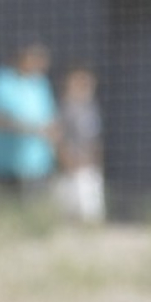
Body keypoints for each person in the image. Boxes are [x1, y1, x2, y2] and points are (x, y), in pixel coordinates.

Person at [0, 41, 58, 197]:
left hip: (36, 166)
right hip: (1, 166)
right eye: (35, 58)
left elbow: (51, 120)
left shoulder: (41, 84)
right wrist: (19, 127)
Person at [53, 64, 105, 224]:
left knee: (90, 216)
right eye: (79, 81)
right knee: (67, 216)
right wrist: (66, 159)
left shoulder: (90, 108)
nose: (84, 85)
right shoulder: (63, 108)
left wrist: (94, 160)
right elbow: (56, 136)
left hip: (89, 167)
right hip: (69, 169)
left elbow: (94, 139)